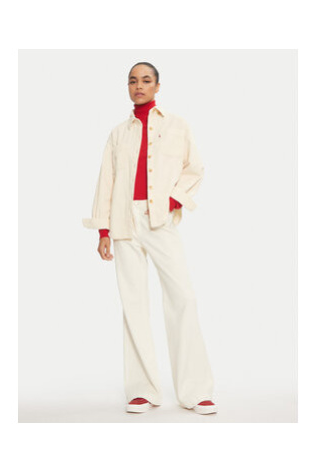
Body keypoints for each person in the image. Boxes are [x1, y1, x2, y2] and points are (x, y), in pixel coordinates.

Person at [82, 62, 217, 415]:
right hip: (123, 219)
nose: (138, 86)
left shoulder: (177, 125)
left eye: (146, 80)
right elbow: (106, 180)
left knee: (183, 297)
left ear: (158, 86)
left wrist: (173, 200)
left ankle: (195, 390)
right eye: (132, 81)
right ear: (127, 87)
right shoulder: (118, 134)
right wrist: (103, 230)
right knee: (134, 302)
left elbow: (195, 168)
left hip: (159, 220)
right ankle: (142, 389)